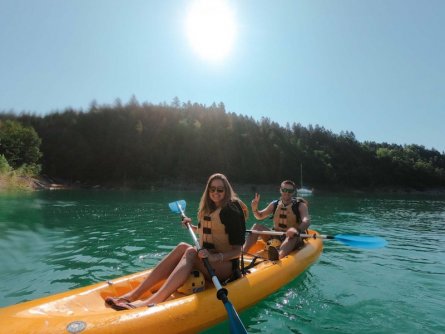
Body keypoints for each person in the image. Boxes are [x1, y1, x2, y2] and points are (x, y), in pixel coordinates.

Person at [105, 173, 247, 310]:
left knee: (191, 252)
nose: (216, 192)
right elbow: (212, 232)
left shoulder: (231, 211)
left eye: (220, 189)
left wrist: (215, 257)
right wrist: (192, 227)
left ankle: (151, 302)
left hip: (226, 267)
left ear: (226, 190)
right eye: (212, 189)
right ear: (208, 190)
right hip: (208, 260)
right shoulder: (209, 208)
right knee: (182, 247)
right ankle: (132, 295)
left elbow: (238, 251)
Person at [243, 180, 310, 260]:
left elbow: (306, 220)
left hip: (292, 238)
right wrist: (255, 209)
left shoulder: (300, 205)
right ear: (280, 190)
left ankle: (278, 256)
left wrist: (296, 230)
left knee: (291, 236)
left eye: (290, 191)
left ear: (293, 192)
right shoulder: (275, 204)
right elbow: (260, 216)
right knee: (256, 227)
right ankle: (242, 253)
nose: (287, 193)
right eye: (284, 190)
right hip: (276, 236)